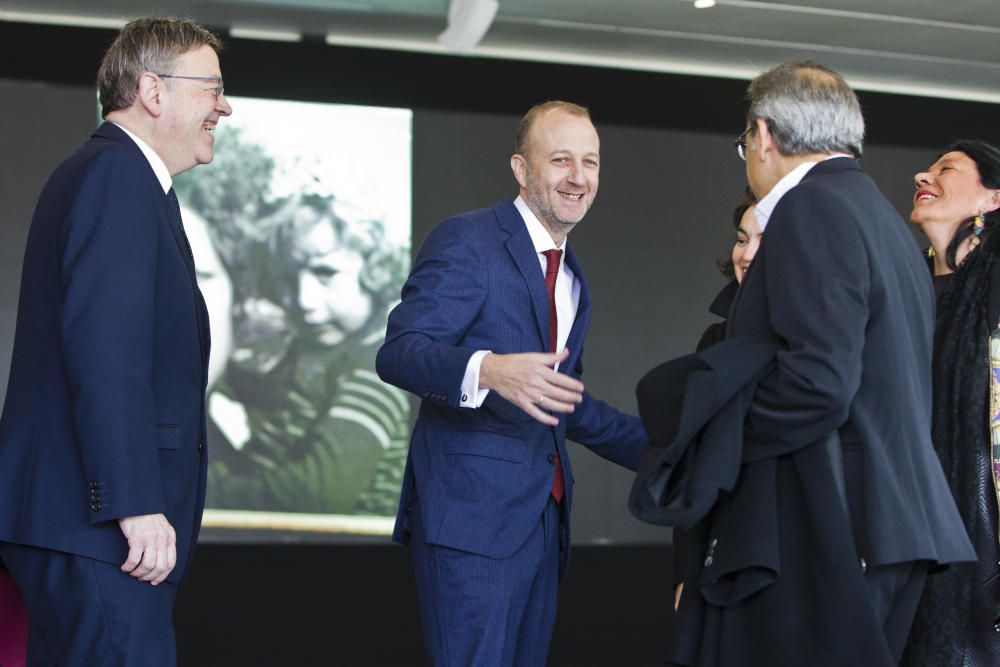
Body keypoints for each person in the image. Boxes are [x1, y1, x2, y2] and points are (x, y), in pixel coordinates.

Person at [634, 61, 973, 666]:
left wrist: (716, 435)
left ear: (764, 136)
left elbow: (819, 384)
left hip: (836, 523)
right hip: (895, 521)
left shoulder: (810, 208)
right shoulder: (886, 221)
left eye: (745, 144)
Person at [376, 100, 647, 667]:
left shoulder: (572, 277)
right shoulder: (468, 241)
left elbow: (561, 403)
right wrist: (488, 369)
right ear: (522, 170)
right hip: (471, 526)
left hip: (543, 525)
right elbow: (399, 352)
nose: (579, 177)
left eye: (591, 162)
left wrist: (673, 453)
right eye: (562, 160)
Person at [0, 17, 231, 665]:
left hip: (82, 527)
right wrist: (132, 502)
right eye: (211, 87)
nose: (225, 105)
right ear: (152, 92)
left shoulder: (120, 178)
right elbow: (106, 352)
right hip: (97, 528)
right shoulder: (118, 178)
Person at [901, 140, 1000, 666]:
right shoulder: (896, 288)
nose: (924, 173)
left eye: (948, 168)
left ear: (992, 199)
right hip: (897, 521)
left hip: (977, 532)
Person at [673, 191, 760, 610]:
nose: (746, 253)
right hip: (717, 545)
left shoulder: (817, 341)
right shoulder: (715, 340)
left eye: (765, 240)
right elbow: (693, 462)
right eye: (742, 239)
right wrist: (685, 572)